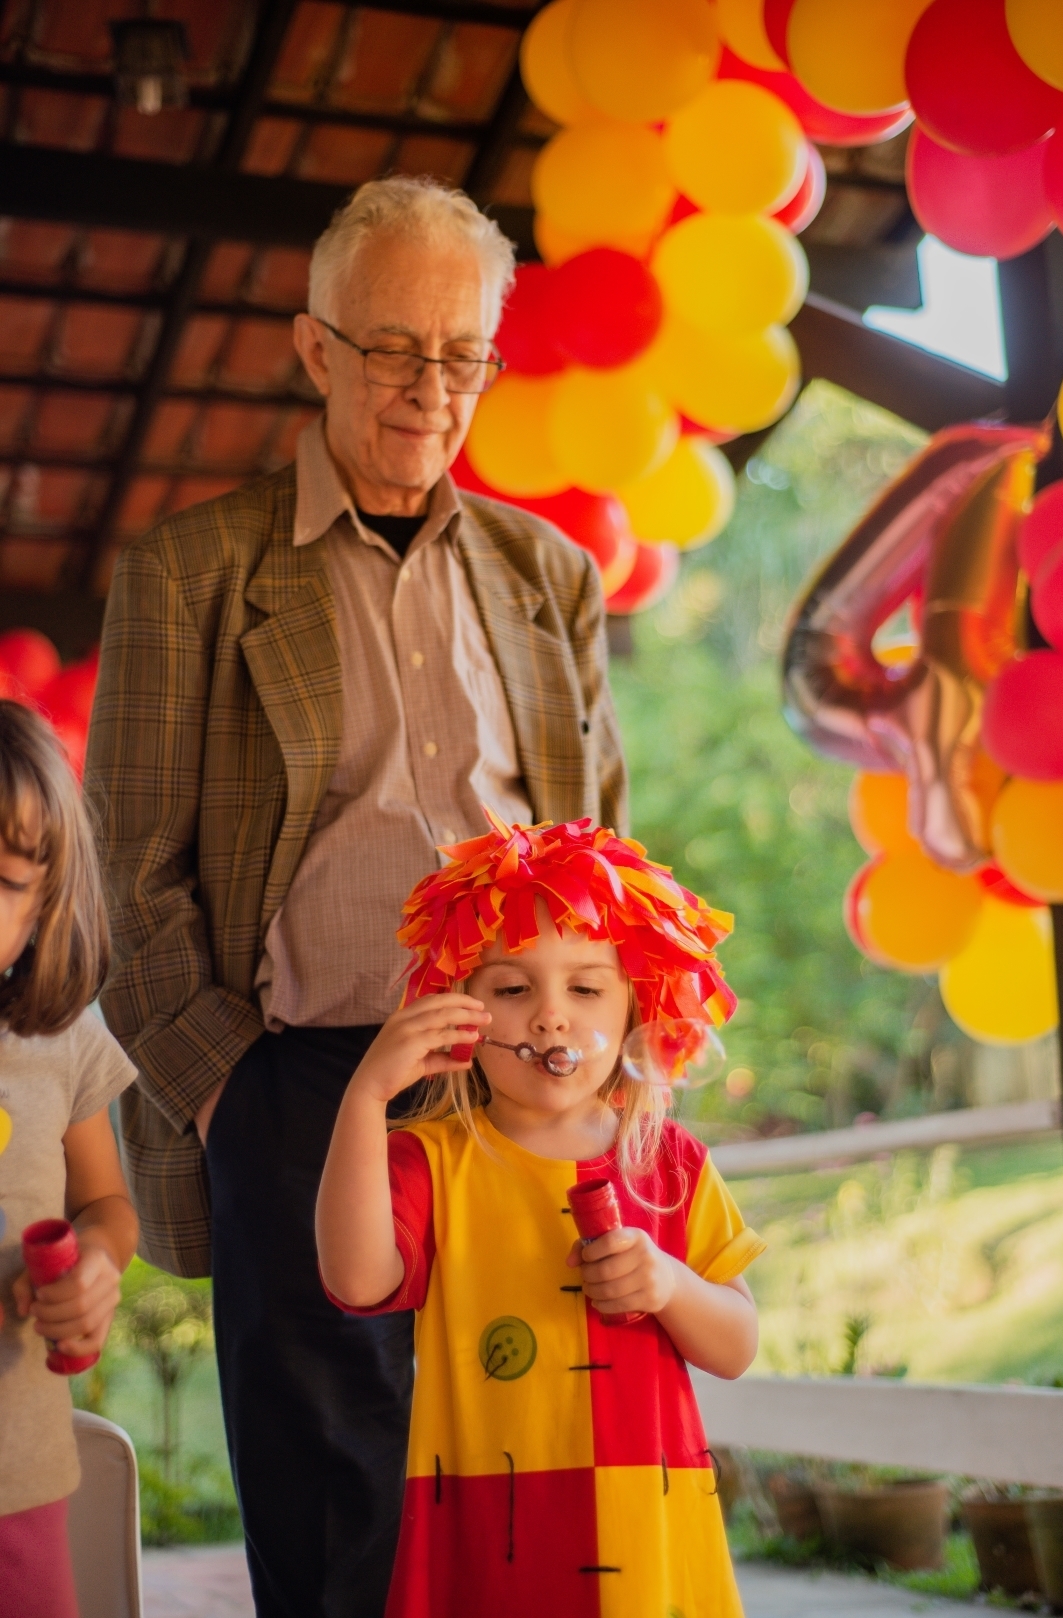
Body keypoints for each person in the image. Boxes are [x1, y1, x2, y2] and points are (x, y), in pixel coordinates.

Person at [85, 175, 626, 1617]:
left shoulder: (549, 576)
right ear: (316, 348)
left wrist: (601, 1074)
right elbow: (123, 880)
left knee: (533, 1515)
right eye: (393, 348)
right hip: (305, 1092)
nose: (431, 388)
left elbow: (604, 850)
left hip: (527, 1094)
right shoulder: (194, 572)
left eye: (463, 353)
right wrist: (238, 1102)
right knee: (342, 1542)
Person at [316, 813, 764, 1617]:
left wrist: (669, 1285)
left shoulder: (671, 1163)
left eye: (586, 988)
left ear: (637, 1007)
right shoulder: (430, 1160)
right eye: (513, 988)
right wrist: (367, 1095)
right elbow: (355, 1280)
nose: (552, 1017)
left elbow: (736, 1346)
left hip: (646, 1524)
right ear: (459, 1011)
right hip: (494, 1526)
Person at [0, 701, 138, 1618]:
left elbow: (106, 1207)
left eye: (2, 880)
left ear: (42, 905)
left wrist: (93, 1264)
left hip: (17, 1479)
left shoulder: (60, 1042)